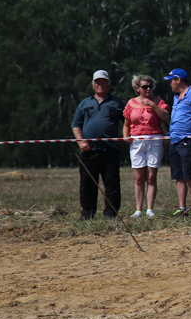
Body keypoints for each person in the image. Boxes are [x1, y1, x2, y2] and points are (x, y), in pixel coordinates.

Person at [71, 70, 126, 220]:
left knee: (112, 184)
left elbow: (129, 121)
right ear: (93, 84)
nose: (100, 84)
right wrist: (81, 141)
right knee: (87, 184)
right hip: (89, 150)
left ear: (109, 84)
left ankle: (111, 214)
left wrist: (124, 137)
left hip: (110, 150)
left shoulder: (119, 103)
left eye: (103, 82)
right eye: (97, 82)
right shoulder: (84, 103)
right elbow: (76, 125)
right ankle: (87, 213)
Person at [122, 74, 170, 218]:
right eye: (145, 87)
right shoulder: (131, 103)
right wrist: (125, 136)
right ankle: (138, 210)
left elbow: (166, 116)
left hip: (155, 139)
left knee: (151, 176)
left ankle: (150, 209)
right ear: (137, 89)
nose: (148, 89)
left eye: (150, 86)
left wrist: (153, 105)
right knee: (138, 177)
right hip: (137, 141)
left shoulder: (157, 100)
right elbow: (126, 124)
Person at [164, 68, 191, 217]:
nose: (170, 84)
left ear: (178, 80)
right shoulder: (176, 96)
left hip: (187, 139)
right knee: (178, 175)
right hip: (174, 139)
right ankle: (182, 207)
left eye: (171, 81)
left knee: (188, 174)